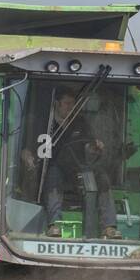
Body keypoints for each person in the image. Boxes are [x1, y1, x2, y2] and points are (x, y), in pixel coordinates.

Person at [20, 88, 121, 239]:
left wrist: (95, 147)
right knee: (53, 174)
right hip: (50, 170)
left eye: (73, 104)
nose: (71, 108)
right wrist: (27, 157)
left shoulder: (80, 123)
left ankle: (109, 226)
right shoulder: (44, 124)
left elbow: (88, 143)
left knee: (102, 177)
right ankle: (54, 224)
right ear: (56, 104)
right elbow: (26, 149)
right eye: (67, 104)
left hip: (77, 170)